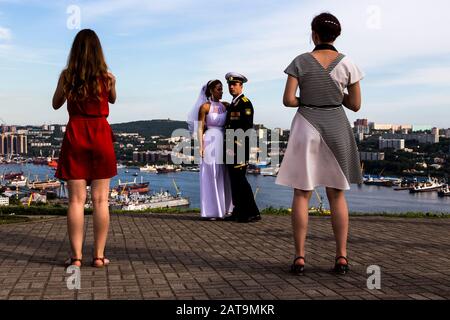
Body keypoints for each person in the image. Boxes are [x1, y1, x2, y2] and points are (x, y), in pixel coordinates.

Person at [275, 12, 364, 275]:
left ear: (314, 34)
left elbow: (289, 100)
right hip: (336, 125)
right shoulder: (348, 64)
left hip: (306, 125)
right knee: (336, 193)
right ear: (336, 35)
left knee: (302, 193)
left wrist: (309, 98)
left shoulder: (300, 61)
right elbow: (356, 105)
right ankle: (341, 257)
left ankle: (300, 257)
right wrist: (336, 92)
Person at [53, 29, 117, 268]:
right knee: (101, 201)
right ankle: (99, 256)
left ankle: (76, 257)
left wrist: (66, 86)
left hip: (76, 134)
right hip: (100, 135)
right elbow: (112, 100)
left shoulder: (67, 76)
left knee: (76, 201)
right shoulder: (107, 77)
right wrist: (112, 84)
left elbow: (56, 103)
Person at [187, 80, 233, 220]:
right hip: (210, 141)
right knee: (211, 174)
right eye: (219, 89)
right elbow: (200, 128)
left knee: (224, 175)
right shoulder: (205, 107)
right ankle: (212, 211)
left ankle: (226, 209)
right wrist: (201, 147)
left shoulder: (226, 105)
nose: (222, 91)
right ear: (211, 91)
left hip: (223, 141)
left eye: (222, 89)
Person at [223, 72, 261, 223]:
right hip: (230, 147)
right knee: (235, 181)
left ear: (241, 85)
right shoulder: (234, 103)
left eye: (235, 84)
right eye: (230, 85)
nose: (232, 87)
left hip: (238, 148)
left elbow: (246, 127)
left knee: (241, 181)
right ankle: (238, 211)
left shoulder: (245, 102)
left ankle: (252, 213)